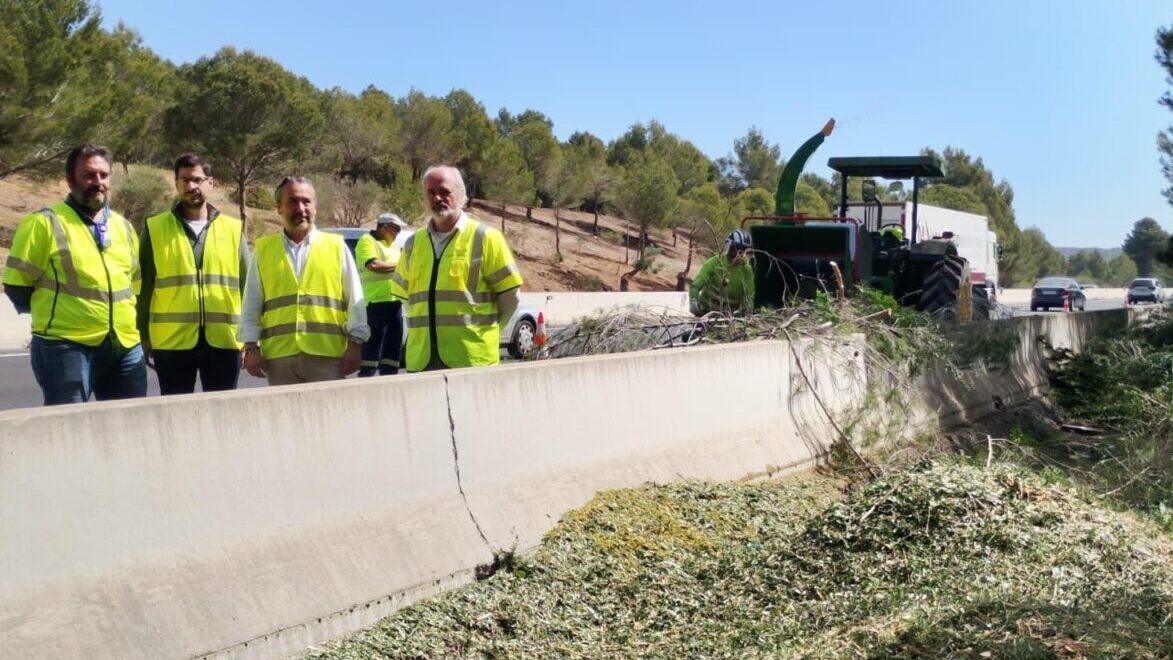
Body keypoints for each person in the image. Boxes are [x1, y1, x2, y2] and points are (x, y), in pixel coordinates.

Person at [1, 144, 147, 405]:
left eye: (104, 175)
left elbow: (134, 285)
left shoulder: (123, 226)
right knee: (67, 428)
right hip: (66, 347)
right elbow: (16, 286)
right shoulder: (43, 223)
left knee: (128, 430)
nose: (98, 182)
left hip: (124, 347)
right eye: (89, 175)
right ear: (70, 180)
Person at [389, 165, 523, 372]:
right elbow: (405, 299)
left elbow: (510, 297)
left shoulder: (486, 237)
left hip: (471, 359)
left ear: (460, 195)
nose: (437, 198)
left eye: (445, 192)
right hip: (421, 359)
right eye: (431, 192)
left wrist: (485, 333)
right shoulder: (412, 244)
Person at [238, 176, 368, 385]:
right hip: (280, 357)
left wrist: (355, 344)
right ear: (279, 208)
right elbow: (251, 302)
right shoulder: (264, 250)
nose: (300, 208)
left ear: (315, 206)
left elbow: (355, 299)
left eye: (306, 201)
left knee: (327, 417)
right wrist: (251, 346)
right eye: (292, 202)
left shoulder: (335, 246)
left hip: (327, 355)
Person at [137, 153, 249, 394]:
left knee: (222, 413)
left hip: (224, 341)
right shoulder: (154, 228)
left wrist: (250, 338)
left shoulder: (233, 229)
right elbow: (144, 288)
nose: (191, 187)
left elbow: (246, 287)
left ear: (211, 182)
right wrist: (143, 336)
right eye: (185, 180)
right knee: (175, 415)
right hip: (172, 343)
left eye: (197, 180)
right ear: (176, 184)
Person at [356, 212, 408, 376]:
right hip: (375, 303)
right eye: (395, 229)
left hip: (394, 302)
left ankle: (389, 378)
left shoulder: (392, 246)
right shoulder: (367, 241)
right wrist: (402, 265)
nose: (398, 233)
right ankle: (367, 380)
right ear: (383, 227)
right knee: (372, 351)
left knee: (392, 351)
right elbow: (375, 265)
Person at [690, 229, 755, 315]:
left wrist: (748, 311)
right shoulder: (714, 262)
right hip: (704, 314)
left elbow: (750, 296)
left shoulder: (747, 271)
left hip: (728, 318)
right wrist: (693, 301)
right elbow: (696, 285)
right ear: (730, 247)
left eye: (744, 251)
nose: (740, 254)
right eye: (738, 249)